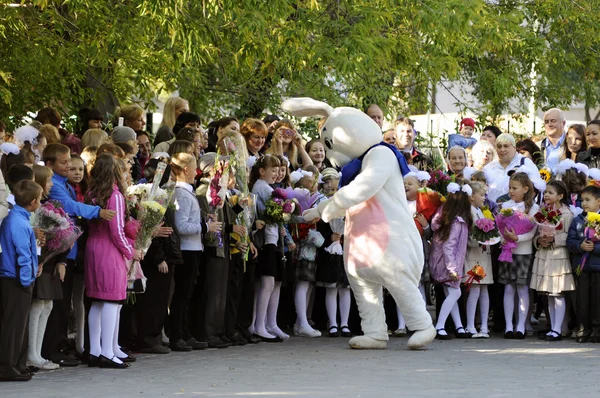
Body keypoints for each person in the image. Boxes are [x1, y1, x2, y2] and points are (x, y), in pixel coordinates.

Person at [41, 143, 115, 366]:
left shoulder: (64, 183)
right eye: (63, 163)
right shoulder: (55, 185)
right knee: (59, 304)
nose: (67, 167)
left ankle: (60, 346)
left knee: (64, 304)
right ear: (50, 164)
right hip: (60, 251)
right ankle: (53, 349)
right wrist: (98, 212)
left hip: (69, 250)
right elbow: (69, 206)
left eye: (69, 163)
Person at [84, 154, 141, 368]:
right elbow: (116, 231)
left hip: (93, 246)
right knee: (112, 299)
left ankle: (95, 350)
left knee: (98, 300)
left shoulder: (91, 192)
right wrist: (130, 251)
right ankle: (107, 352)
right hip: (109, 249)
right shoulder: (114, 195)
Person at [170, 152, 221, 351]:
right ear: (185, 170)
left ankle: (184, 332)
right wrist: (206, 227)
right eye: (194, 168)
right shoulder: (181, 193)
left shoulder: (186, 192)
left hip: (193, 248)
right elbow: (181, 226)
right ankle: (177, 335)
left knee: (187, 294)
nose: (197, 172)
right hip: (186, 249)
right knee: (182, 294)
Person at [0, 180, 43, 382]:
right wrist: (26, 280)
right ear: (33, 202)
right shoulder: (18, 222)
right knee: (14, 325)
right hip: (15, 279)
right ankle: (6, 366)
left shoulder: (18, 218)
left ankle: (18, 363)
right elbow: (23, 254)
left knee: (20, 323)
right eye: (40, 199)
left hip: (16, 278)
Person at [529, 180, 574, 341]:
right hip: (545, 254)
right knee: (548, 295)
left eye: (551, 193)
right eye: (546, 192)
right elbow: (536, 232)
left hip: (558, 256)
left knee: (557, 293)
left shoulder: (566, 214)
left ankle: (558, 329)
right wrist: (539, 241)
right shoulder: (543, 212)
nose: (546, 195)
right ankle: (552, 326)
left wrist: (554, 239)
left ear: (560, 196)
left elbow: (569, 236)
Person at [28, 166, 62, 371]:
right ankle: (31, 353)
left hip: (46, 260)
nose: (51, 185)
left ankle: (37, 353)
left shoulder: (47, 206)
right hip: (38, 261)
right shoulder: (36, 209)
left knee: (47, 305)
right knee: (37, 305)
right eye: (48, 181)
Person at [498, 172, 539, 339]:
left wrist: (517, 238)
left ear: (525, 189)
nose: (511, 191)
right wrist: (503, 238)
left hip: (523, 253)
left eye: (514, 188)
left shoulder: (533, 208)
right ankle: (509, 325)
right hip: (508, 253)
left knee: (522, 289)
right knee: (508, 288)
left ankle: (521, 325)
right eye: (509, 187)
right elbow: (500, 227)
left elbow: (531, 232)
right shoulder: (504, 206)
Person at [429, 182, 472, 339]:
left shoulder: (445, 217)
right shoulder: (457, 222)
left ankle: (459, 326)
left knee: (451, 292)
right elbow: (449, 246)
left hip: (439, 262)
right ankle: (440, 326)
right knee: (455, 292)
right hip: (448, 264)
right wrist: (452, 268)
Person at [250, 154, 286, 342]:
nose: (276, 173)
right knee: (266, 284)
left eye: (278, 169)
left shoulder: (265, 187)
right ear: (262, 171)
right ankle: (259, 325)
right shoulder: (262, 188)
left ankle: (262, 323)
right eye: (273, 170)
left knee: (268, 284)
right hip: (265, 241)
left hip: (271, 239)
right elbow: (272, 211)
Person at [315, 168, 351, 338]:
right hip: (329, 252)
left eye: (336, 188)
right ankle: (333, 323)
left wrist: (345, 237)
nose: (333, 191)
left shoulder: (348, 207)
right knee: (331, 288)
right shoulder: (323, 206)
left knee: (345, 288)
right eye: (330, 188)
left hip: (345, 250)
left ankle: (344, 323)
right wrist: (330, 237)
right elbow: (319, 226)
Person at [567, 185, 600, 343]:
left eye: (588, 200)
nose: (584, 203)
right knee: (582, 299)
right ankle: (583, 328)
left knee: (597, 299)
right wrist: (580, 246)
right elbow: (570, 241)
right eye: (582, 200)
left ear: (598, 202)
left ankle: (597, 329)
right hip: (581, 266)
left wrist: (595, 248)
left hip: (597, 266)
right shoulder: (577, 220)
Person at [464, 181, 495, 339]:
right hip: (475, 255)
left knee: (484, 290)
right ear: (471, 197)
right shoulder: (469, 212)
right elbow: (469, 236)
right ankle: (470, 325)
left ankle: (484, 326)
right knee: (475, 290)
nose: (484, 198)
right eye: (481, 195)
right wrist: (482, 238)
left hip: (484, 255)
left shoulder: (480, 211)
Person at [484, 133, 538, 202]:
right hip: (493, 211)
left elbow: (536, 190)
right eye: (499, 146)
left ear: (514, 147)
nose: (502, 149)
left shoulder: (525, 163)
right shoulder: (488, 168)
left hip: (520, 210)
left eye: (506, 146)